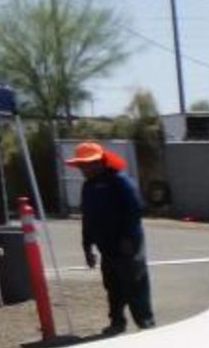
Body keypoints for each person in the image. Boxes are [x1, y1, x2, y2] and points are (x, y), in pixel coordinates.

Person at [65, 142, 154, 334]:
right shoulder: (88, 186)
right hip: (107, 246)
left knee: (134, 283)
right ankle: (117, 322)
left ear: (99, 162)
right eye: (81, 165)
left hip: (127, 245)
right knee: (113, 286)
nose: (83, 169)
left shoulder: (119, 181)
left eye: (86, 164)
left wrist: (128, 239)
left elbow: (135, 209)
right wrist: (87, 247)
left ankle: (145, 322)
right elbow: (87, 218)